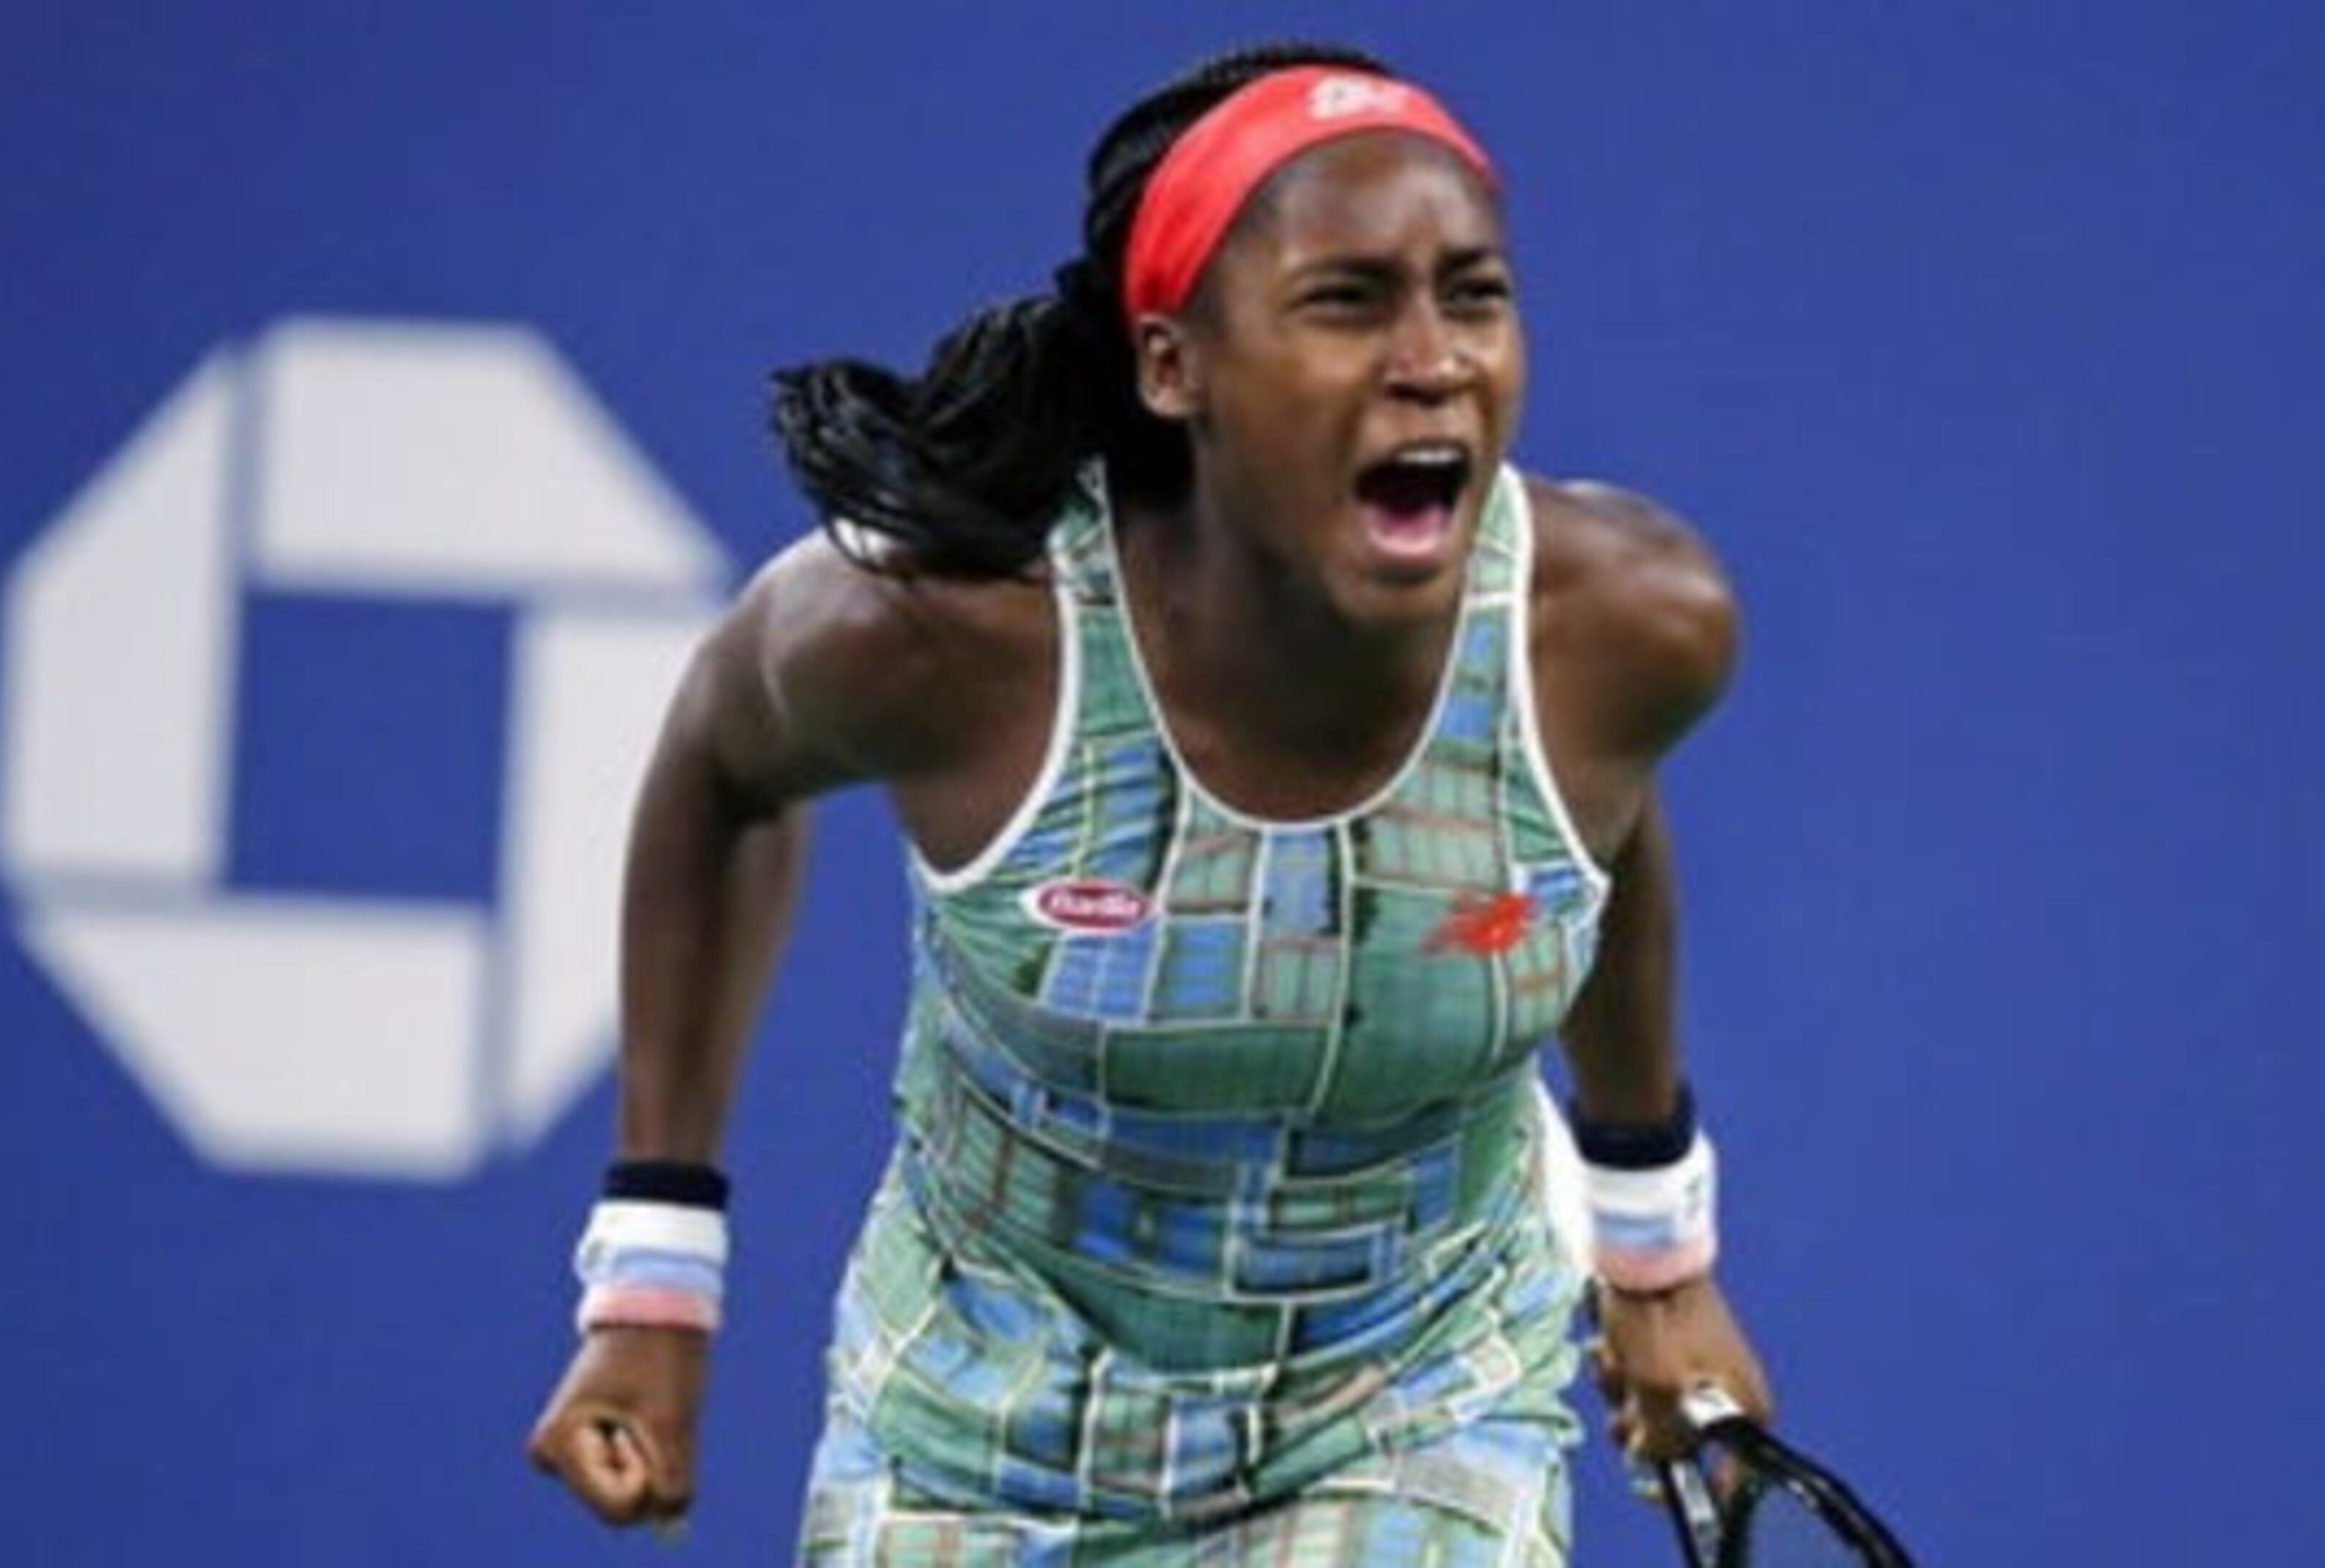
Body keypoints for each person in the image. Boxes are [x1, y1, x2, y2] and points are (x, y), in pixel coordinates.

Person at [528, 39, 1773, 1564]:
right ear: (1173, 364)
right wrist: (655, 1274)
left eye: (1475, 293)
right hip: (968, 1439)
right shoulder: (933, 636)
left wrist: (1655, 1257)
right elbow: (720, 776)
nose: (1434, 357)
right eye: (1347, 300)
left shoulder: (1625, 629)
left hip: (1416, 1408)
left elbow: (1591, 839)